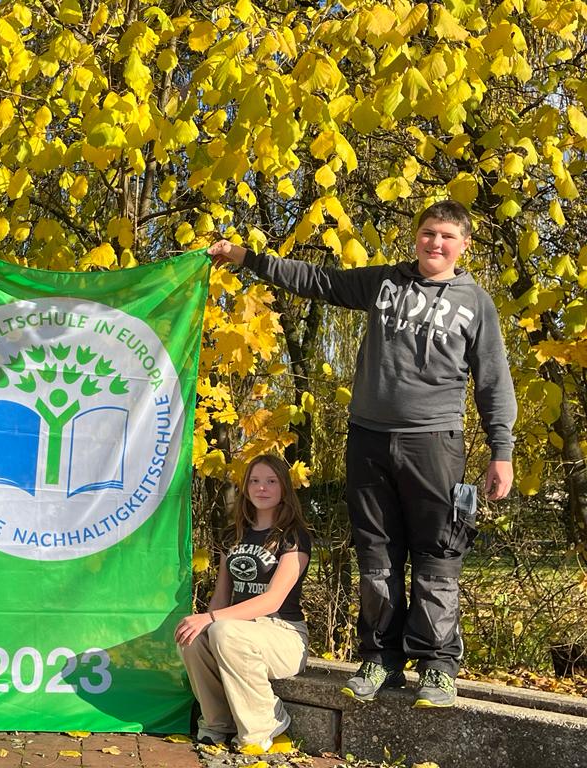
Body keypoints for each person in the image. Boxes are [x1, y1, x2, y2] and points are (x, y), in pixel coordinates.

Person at [208, 200, 517, 708]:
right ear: (415, 237)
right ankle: (380, 659)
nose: (434, 243)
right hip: (369, 438)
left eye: (445, 236)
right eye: (426, 233)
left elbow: (493, 382)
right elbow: (318, 280)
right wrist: (247, 257)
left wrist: (501, 450)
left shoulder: (475, 302)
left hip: (435, 441)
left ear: (462, 245)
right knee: (376, 556)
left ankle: (437, 666)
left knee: (438, 552)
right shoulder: (385, 283)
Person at [176, 455, 311, 750]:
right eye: (255, 481)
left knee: (223, 629)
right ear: (246, 488)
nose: (262, 488)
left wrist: (212, 620)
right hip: (239, 632)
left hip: (283, 634)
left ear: (284, 488)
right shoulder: (232, 535)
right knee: (191, 636)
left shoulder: (293, 536)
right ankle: (217, 721)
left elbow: (273, 599)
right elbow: (222, 595)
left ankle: (266, 724)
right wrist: (204, 622)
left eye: (271, 481)